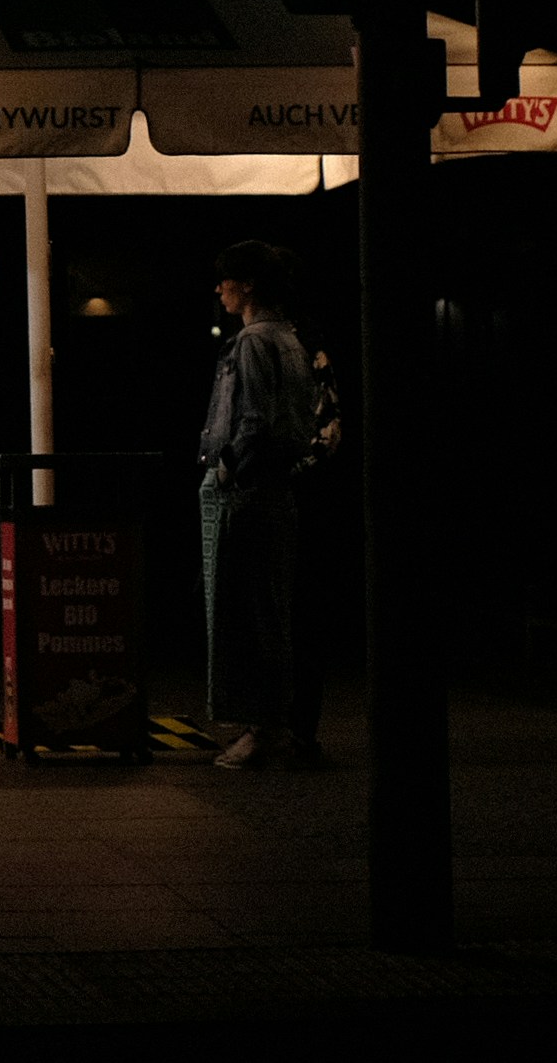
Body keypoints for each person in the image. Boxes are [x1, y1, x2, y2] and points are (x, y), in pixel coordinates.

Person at [199, 240, 325, 771]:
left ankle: (262, 727)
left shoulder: (251, 343)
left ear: (247, 284)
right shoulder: (291, 339)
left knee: (245, 613)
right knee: (270, 610)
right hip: (279, 490)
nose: (219, 289)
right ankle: (281, 725)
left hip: (248, 493)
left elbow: (255, 421)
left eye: (226, 280)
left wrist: (226, 469)